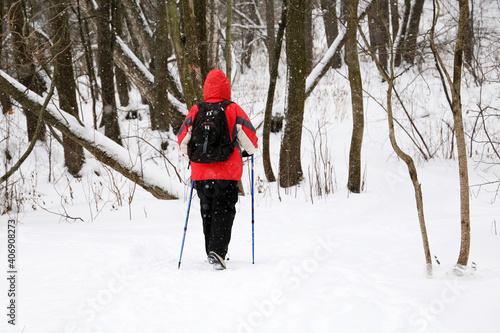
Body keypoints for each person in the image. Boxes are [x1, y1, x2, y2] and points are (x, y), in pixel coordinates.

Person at [177, 69, 258, 270]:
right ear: (226, 88)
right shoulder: (232, 109)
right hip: (227, 172)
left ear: (206, 88)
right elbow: (251, 143)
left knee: (208, 211)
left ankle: (211, 251)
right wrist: (245, 151)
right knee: (224, 209)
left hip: (201, 174)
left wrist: (195, 160)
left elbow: (182, 140)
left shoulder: (196, 110)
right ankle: (218, 252)